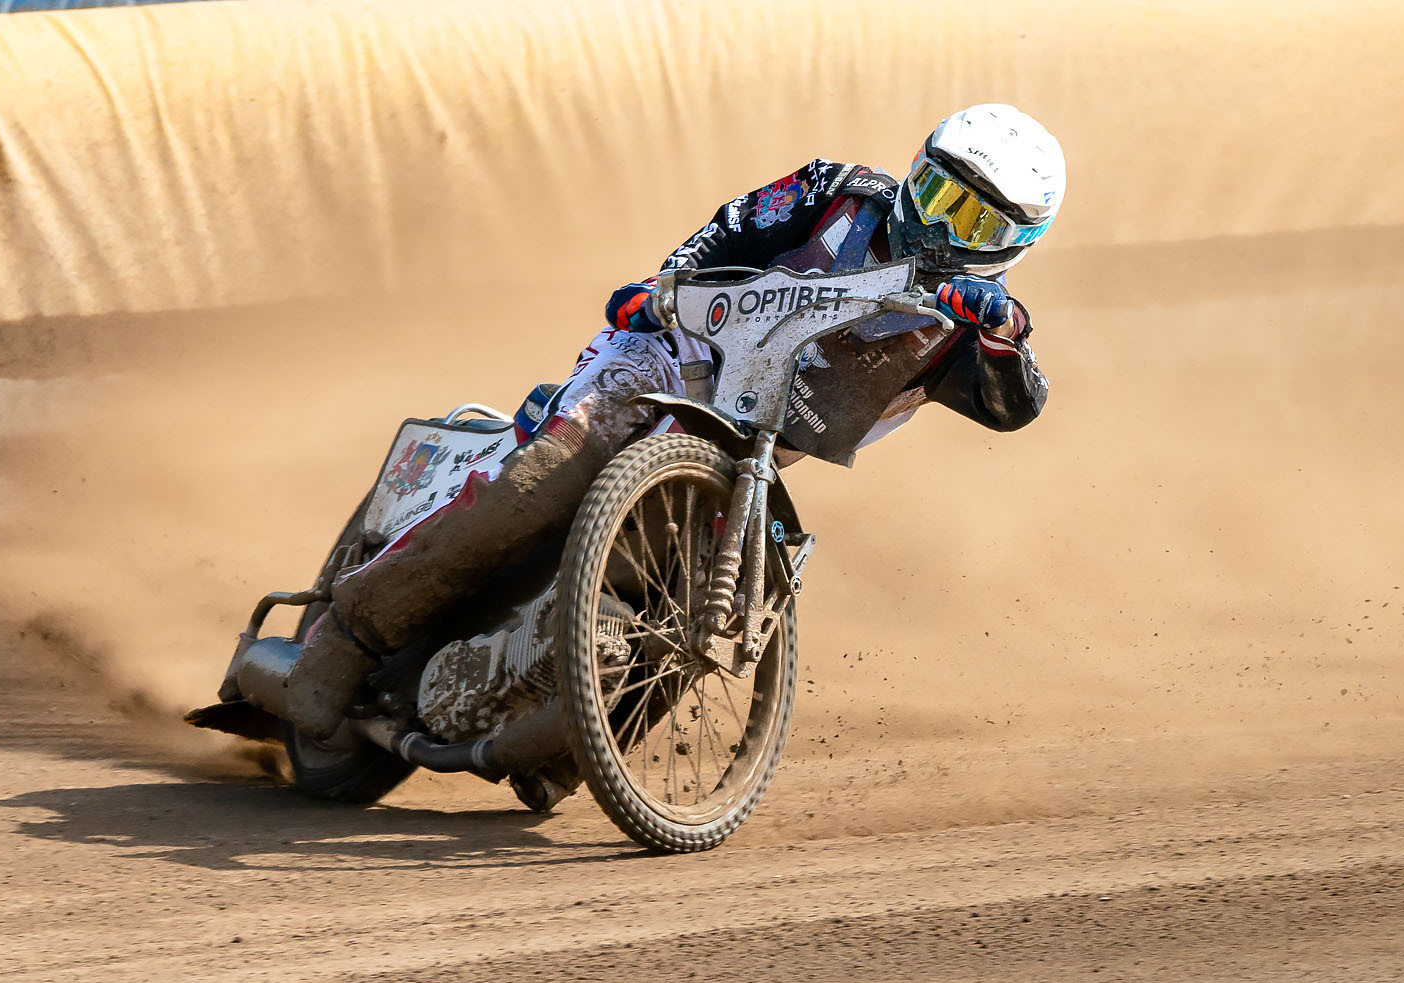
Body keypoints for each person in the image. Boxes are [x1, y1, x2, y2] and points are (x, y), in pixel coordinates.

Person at [277, 103, 1066, 741]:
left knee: (704, 594)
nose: (937, 221)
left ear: (1013, 246)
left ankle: (573, 735)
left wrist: (1003, 338)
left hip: (747, 448)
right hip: (668, 355)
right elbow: (732, 225)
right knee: (557, 464)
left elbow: (1015, 405)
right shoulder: (837, 192)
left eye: (971, 218)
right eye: (936, 191)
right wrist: (662, 283)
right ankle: (346, 637)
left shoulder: (973, 332)